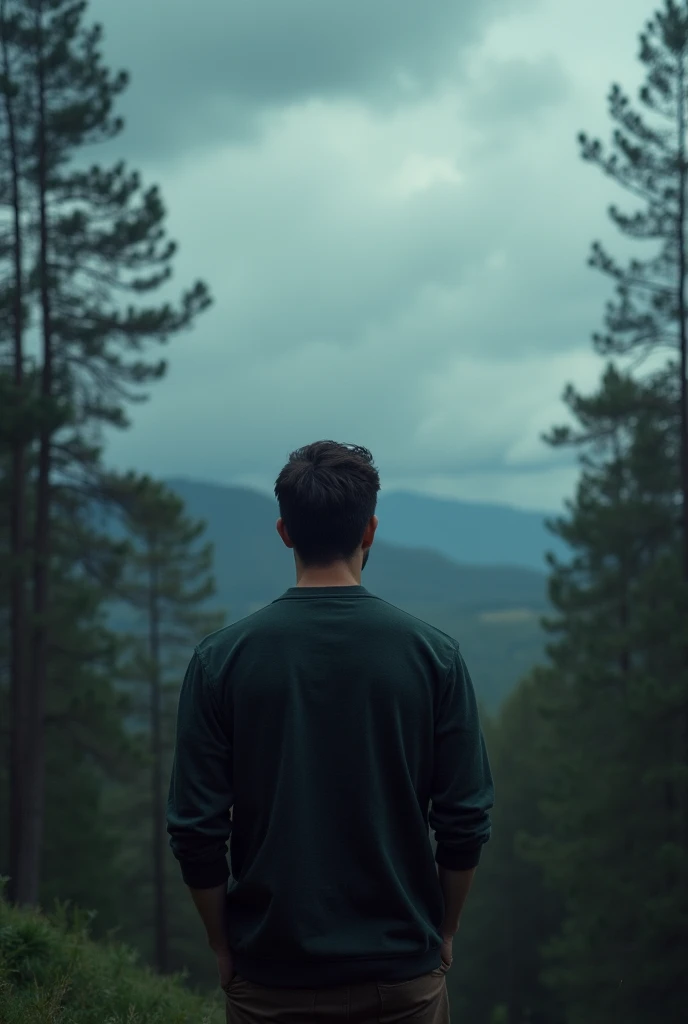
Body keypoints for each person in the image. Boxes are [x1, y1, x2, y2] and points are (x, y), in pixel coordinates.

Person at [167, 440, 494, 1023]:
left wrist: (223, 945)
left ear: (284, 531)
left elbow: (195, 832)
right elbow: (465, 820)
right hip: (402, 985)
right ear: (369, 530)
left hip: (270, 982)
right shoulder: (434, 657)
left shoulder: (220, 661)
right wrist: (444, 932)